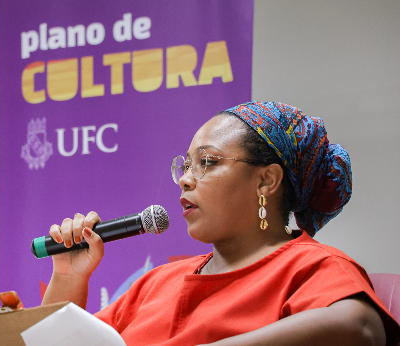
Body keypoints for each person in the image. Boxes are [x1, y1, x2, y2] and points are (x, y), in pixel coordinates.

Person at [41, 101, 400, 346]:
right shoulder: (155, 283)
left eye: (208, 162)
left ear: (266, 181)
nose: (185, 179)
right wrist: (69, 278)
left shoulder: (311, 267)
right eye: (186, 166)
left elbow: (360, 327)